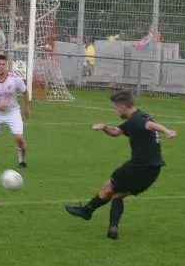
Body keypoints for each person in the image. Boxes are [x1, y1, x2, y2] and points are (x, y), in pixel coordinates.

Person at [65, 90, 176, 239]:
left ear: (123, 106)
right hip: (153, 170)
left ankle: (86, 211)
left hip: (136, 167)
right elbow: (116, 131)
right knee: (118, 194)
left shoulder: (138, 120)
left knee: (108, 187)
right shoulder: (137, 117)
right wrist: (104, 127)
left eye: (115, 107)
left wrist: (167, 131)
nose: (115, 110)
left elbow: (151, 125)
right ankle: (112, 228)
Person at [0, 54, 31, 168]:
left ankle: (22, 160)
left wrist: (26, 108)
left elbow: (25, 92)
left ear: (7, 65)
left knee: (19, 138)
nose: (1, 66)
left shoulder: (15, 79)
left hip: (13, 112)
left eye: (3, 64)